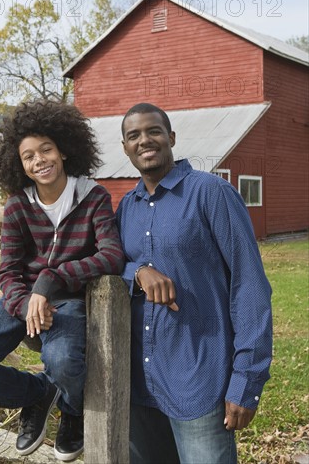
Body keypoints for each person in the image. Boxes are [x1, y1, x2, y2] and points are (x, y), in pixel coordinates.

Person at [0, 99, 124, 462]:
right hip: (20, 301)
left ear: (63, 149)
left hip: (68, 300)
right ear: (20, 164)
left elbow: (112, 255)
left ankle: (72, 412)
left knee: (62, 361)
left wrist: (52, 280)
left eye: (46, 149)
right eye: (28, 156)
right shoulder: (17, 206)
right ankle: (38, 393)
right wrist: (26, 302)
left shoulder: (93, 198)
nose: (39, 160)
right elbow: (8, 271)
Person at [116, 103, 273, 464]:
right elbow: (109, 266)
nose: (145, 140)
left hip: (198, 380)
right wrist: (137, 272)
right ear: (124, 147)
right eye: (133, 136)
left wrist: (246, 382)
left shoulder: (212, 194)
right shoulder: (127, 206)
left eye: (153, 131)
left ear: (171, 137)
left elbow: (250, 286)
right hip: (138, 385)